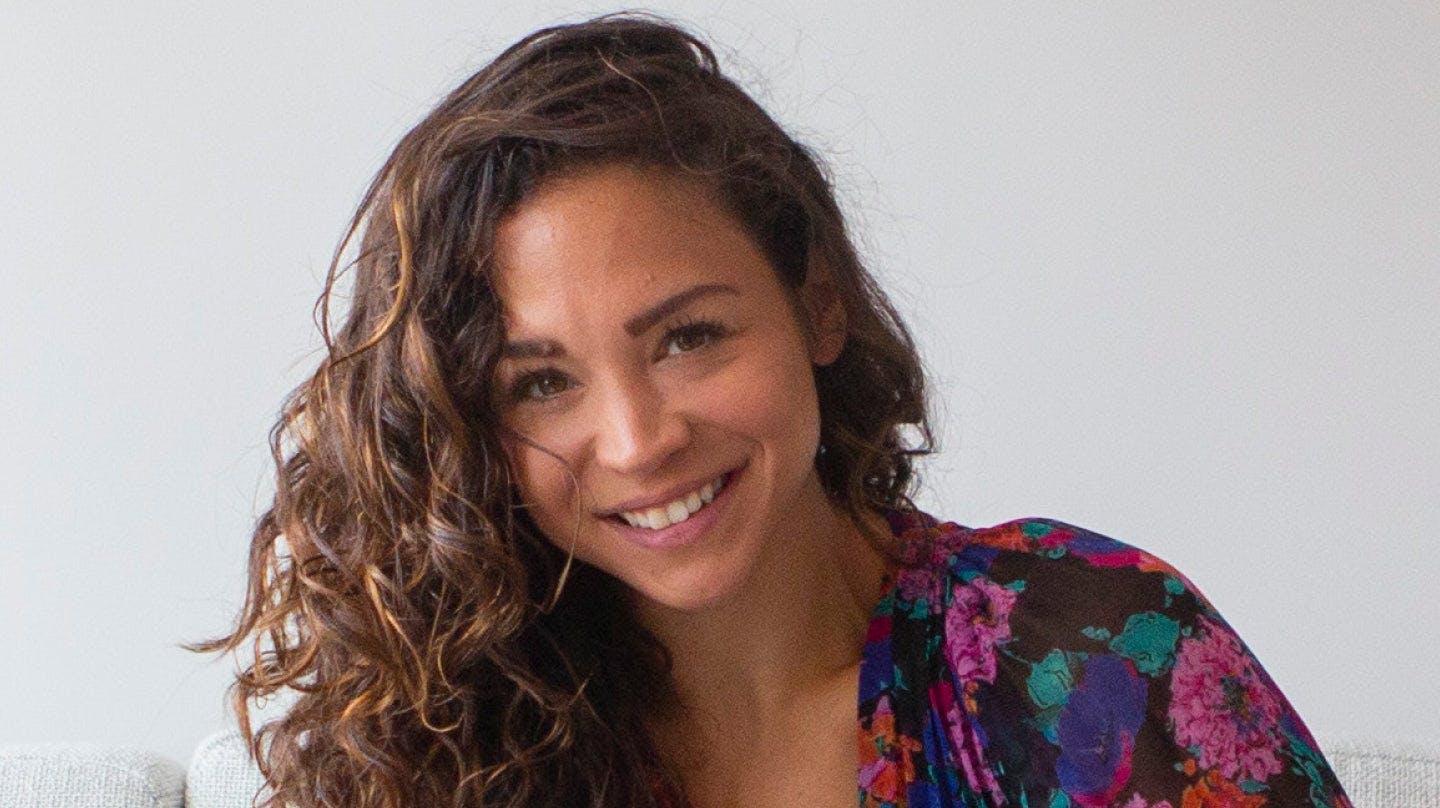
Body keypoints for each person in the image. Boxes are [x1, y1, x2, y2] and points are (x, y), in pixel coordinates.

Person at [190, 13, 1353, 808]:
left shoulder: (1092, 656)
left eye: (688, 336)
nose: (638, 439)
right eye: (541, 382)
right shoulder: (437, 746)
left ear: (818, 303)